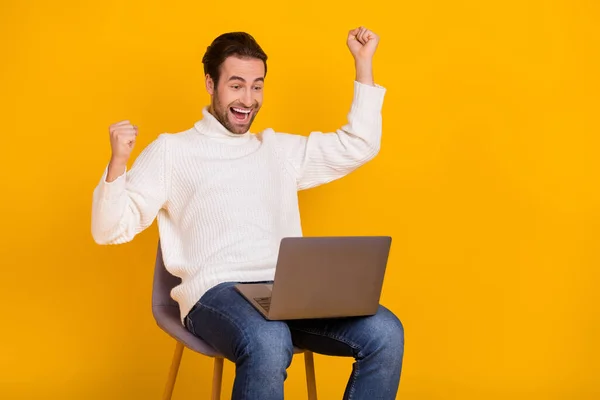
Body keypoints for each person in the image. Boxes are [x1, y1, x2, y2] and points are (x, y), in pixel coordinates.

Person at [92, 26, 404, 399]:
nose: (248, 98)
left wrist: (363, 64)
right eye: (236, 85)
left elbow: (358, 146)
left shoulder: (277, 150)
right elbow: (109, 230)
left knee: (385, 332)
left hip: (287, 293)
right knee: (268, 338)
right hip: (214, 294)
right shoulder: (172, 151)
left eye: (257, 86)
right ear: (210, 83)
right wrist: (118, 164)